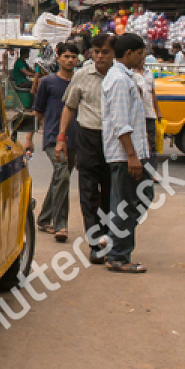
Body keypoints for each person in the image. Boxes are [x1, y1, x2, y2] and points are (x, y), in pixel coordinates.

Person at [58, 33, 115, 263]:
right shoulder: (82, 75)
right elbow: (70, 107)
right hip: (87, 136)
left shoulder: (120, 76)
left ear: (113, 54)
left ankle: (108, 237)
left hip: (113, 139)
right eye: (96, 51)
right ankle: (95, 243)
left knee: (110, 192)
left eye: (105, 52)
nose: (100, 56)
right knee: (89, 191)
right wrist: (61, 137)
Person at [101, 33, 150, 274]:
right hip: (123, 155)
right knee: (127, 203)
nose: (143, 58)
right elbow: (121, 123)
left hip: (132, 153)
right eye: (141, 53)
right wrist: (132, 155)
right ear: (129, 53)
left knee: (139, 198)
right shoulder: (119, 80)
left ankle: (114, 239)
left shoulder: (125, 77)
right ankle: (118, 254)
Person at [33, 42, 79, 243]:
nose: (70, 60)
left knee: (60, 178)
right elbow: (38, 110)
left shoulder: (80, 81)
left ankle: (44, 218)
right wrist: (36, 133)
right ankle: (60, 224)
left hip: (75, 138)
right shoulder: (48, 82)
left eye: (73, 57)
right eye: (66, 56)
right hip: (53, 138)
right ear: (59, 58)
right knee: (63, 175)